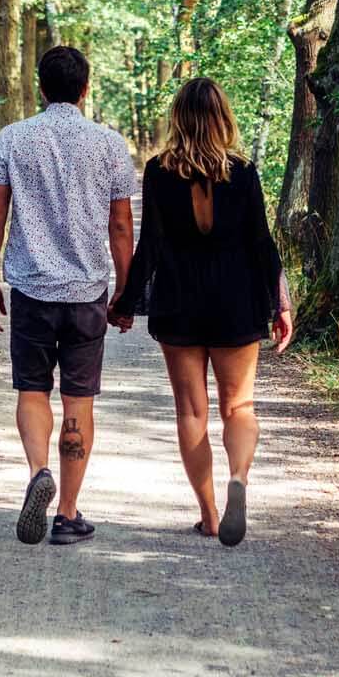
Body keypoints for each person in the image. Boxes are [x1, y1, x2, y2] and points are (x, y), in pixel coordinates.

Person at [110, 77, 293, 547]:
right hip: (236, 301)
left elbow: (150, 244)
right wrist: (280, 301)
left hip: (180, 302)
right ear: (222, 118)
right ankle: (239, 479)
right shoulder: (244, 172)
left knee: (191, 411)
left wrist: (127, 302)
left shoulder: (158, 171)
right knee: (240, 406)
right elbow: (260, 243)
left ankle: (210, 515)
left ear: (179, 119)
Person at [0, 46, 137, 546]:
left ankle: (37, 472)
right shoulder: (110, 145)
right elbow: (119, 224)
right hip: (87, 292)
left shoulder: (13, 138)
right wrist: (126, 291)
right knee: (78, 400)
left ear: (41, 88)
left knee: (32, 388)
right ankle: (67, 514)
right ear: (86, 89)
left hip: (31, 287)